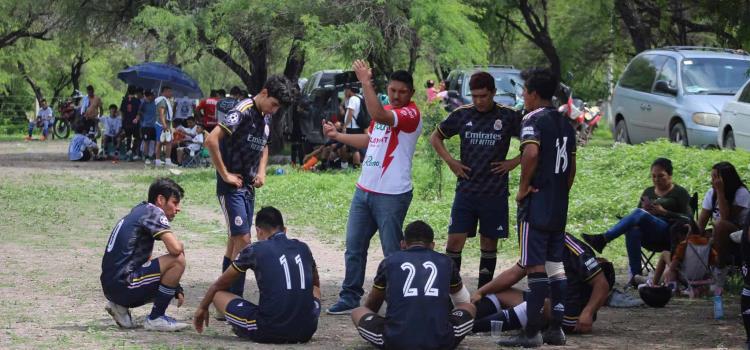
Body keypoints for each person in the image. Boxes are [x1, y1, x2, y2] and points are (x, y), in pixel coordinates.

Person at [323, 60, 423, 315]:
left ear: (411, 93)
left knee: (392, 251)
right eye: (393, 90)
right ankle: (350, 297)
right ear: (387, 90)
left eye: (402, 91)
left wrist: (364, 82)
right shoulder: (385, 109)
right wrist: (337, 136)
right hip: (364, 190)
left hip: (392, 195)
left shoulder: (410, 114)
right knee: (354, 248)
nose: (397, 95)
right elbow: (369, 138)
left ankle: (398, 300)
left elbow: (379, 115)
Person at [498, 67, 576, 347]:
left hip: (537, 203)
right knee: (556, 266)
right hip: (558, 204)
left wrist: (522, 189)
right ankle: (556, 329)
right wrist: (559, 192)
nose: (522, 97)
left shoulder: (532, 119)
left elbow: (530, 152)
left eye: (524, 92)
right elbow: (571, 169)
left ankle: (531, 332)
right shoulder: (566, 122)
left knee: (534, 266)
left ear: (532, 94)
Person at [205, 75, 295, 317]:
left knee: (234, 242)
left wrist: (262, 171)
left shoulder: (265, 118)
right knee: (244, 242)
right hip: (231, 187)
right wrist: (224, 174)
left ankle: (222, 301)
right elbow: (211, 139)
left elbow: (264, 146)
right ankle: (234, 301)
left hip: (248, 187)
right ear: (264, 93)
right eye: (274, 104)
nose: (275, 111)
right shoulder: (241, 111)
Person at [430, 71, 522, 289]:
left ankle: (483, 293)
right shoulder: (462, 115)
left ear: (493, 93)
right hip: (466, 190)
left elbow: (533, 143)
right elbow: (435, 137)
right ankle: (451, 291)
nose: (479, 101)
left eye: (483, 96)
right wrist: (451, 162)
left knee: (489, 243)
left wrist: (514, 162)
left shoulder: (508, 116)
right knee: (454, 241)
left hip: (495, 191)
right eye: (475, 96)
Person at [194, 207, 321, 343]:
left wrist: (203, 307)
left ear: (258, 231)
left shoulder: (254, 250)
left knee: (218, 295)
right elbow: (316, 284)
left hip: (270, 330)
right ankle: (299, 319)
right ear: (285, 230)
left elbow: (219, 284)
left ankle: (246, 328)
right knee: (315, 290)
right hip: (307, 329)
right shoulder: (303, 247)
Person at [351, 220, 475, 349]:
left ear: (403, 244)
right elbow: (461, 299)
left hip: (396, 341)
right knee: (469, 307)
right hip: (440, 341)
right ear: (432, 245)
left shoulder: (389, 262)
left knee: (358, 311)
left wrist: (375, 319)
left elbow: (373, 302)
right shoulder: (446, 262)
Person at [472, 233, 614, 337]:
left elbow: (602, 285)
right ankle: (462, 320)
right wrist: (481, 292)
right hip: (545, 300)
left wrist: (588, 313)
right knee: (497, 293)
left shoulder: (573, 248)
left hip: (571, 314)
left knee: (539, 304)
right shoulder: (537, 241)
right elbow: (513, 274)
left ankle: (472, 328)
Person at [583, 158, 692, 285]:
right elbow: (637, 214)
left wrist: (664, 212)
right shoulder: (648, 191)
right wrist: (646, 211)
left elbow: (688, 218)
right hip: (648, 236)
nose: (657, 179)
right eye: (654, 176)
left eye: (661, 176)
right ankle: (636, 277)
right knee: (632, 230)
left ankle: (604, 239)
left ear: (670, 175)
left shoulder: (680, 192)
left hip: (668, 234)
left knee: (639, 213)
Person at [100, 178, 188, 331]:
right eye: (174, 202)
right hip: (123, 284)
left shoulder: (140, 210)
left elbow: (145, 260)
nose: (178, 208)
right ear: (160, 199)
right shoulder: (153, 211)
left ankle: (119, 307)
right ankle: (156, 318)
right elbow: (175, 249)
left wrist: (176, 287)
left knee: (161, 262)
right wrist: (181, 245)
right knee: (177, 260)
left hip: (112, 285)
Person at [697, 161, 749, 286]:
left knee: (721, 225)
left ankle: (720, 269)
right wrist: (694, 233)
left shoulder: (741, 193)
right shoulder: (711, 193)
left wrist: (720, 192)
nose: (712, 181)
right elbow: (702, 222)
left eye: (715, 178)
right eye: (712, 177)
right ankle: (687, 275)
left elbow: (726, 218)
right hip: (716, 232)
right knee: (686, 229)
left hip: (738, 233)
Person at [342, 86, 364, 167]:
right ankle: (357, 165)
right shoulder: (360, 97)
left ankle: (356, 166)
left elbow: (350, 113)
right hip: (359, 126)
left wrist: (345, 125)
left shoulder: (353, 99)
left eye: (345, 90)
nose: (344, 92)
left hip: (352, 126)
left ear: (349, 90)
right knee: (355, 147)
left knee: (354, 148)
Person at [154, 86, 176, 167]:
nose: (171, 93)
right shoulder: (162, 100)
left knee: (168, 142)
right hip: (161, 124)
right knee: (160, 142)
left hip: (166, 124)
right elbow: (161, 114)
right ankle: (159, 161)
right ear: (165, 91)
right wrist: (164, 125)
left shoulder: (166, 100)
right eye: (169, 91)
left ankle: (166, 160)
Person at [120, 86, 142, 160]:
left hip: (126, 122)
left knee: (128, 137)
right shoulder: (137, 101)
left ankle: (128, 151)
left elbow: (122, 113)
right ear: (135, 92)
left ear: (128, 91)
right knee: (137, 138)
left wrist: (122, 123)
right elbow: (139, 112)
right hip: (135, 122)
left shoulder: (124, 100)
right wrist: (136, 118)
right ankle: (132, 150)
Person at [138, 91, 158, 164]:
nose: (152, 97)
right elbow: (139, 111)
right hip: (146, 126)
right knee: (147, 142)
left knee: (156, 142)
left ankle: (154, 156)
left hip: (155, 126)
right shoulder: (144, 103)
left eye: (152, 95)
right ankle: (146, 157)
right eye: (149, 96)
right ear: (147, 96)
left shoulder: (156, 103)